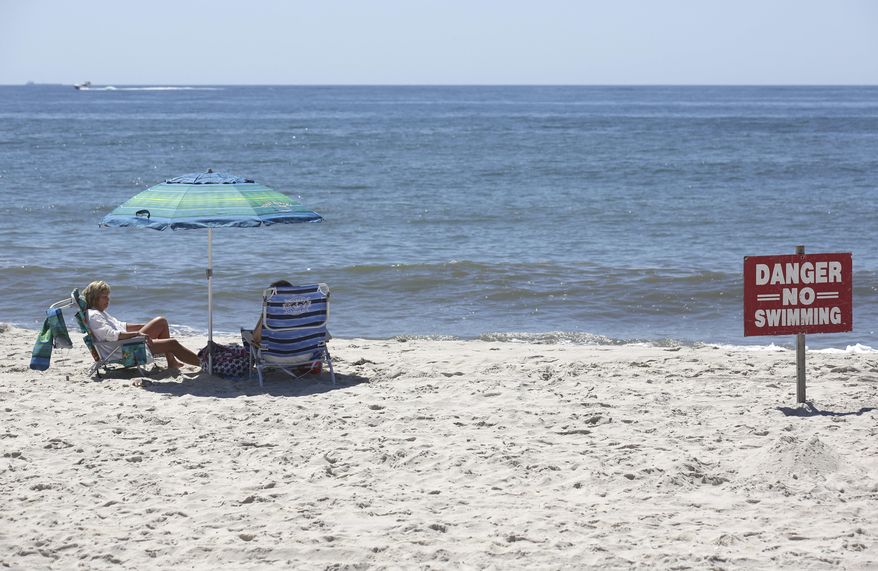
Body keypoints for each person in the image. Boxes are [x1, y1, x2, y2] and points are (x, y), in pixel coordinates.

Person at [81, 280, 200, 369]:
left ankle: (171, 362)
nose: (108, 300)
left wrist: (143, 326)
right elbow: (112, 335)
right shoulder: (95, 315)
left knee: (160, 322)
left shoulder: (100, 313)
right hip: (124, 350)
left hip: (124, 344)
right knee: (172, 343)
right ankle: (204, 364)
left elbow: (121, 325)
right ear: (94, 298)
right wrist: (137, 334)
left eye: (108, 297)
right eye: (104, 297)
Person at [250, 279, 292, 346]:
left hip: (275, 354)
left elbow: (256, 338)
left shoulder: (271, 311)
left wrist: (263, 315)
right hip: (305, 353)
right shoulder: (305, 311)